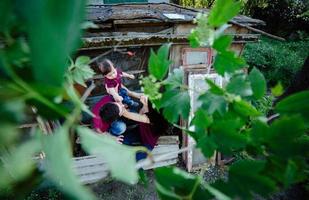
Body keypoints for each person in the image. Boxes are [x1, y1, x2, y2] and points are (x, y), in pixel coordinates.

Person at [92, 94, 169, 152]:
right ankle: (113, 133)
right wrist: (112, 138)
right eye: (121, 109)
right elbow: (98, 132)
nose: (122, 105)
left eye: (119, 104)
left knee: (134, 114)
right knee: (120, 128)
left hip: (147, 135)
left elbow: (127, 94)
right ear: (116, 117)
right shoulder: (99, 123)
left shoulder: (110, 98)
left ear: (112, 103)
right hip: (140, 130)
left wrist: (120, 101)